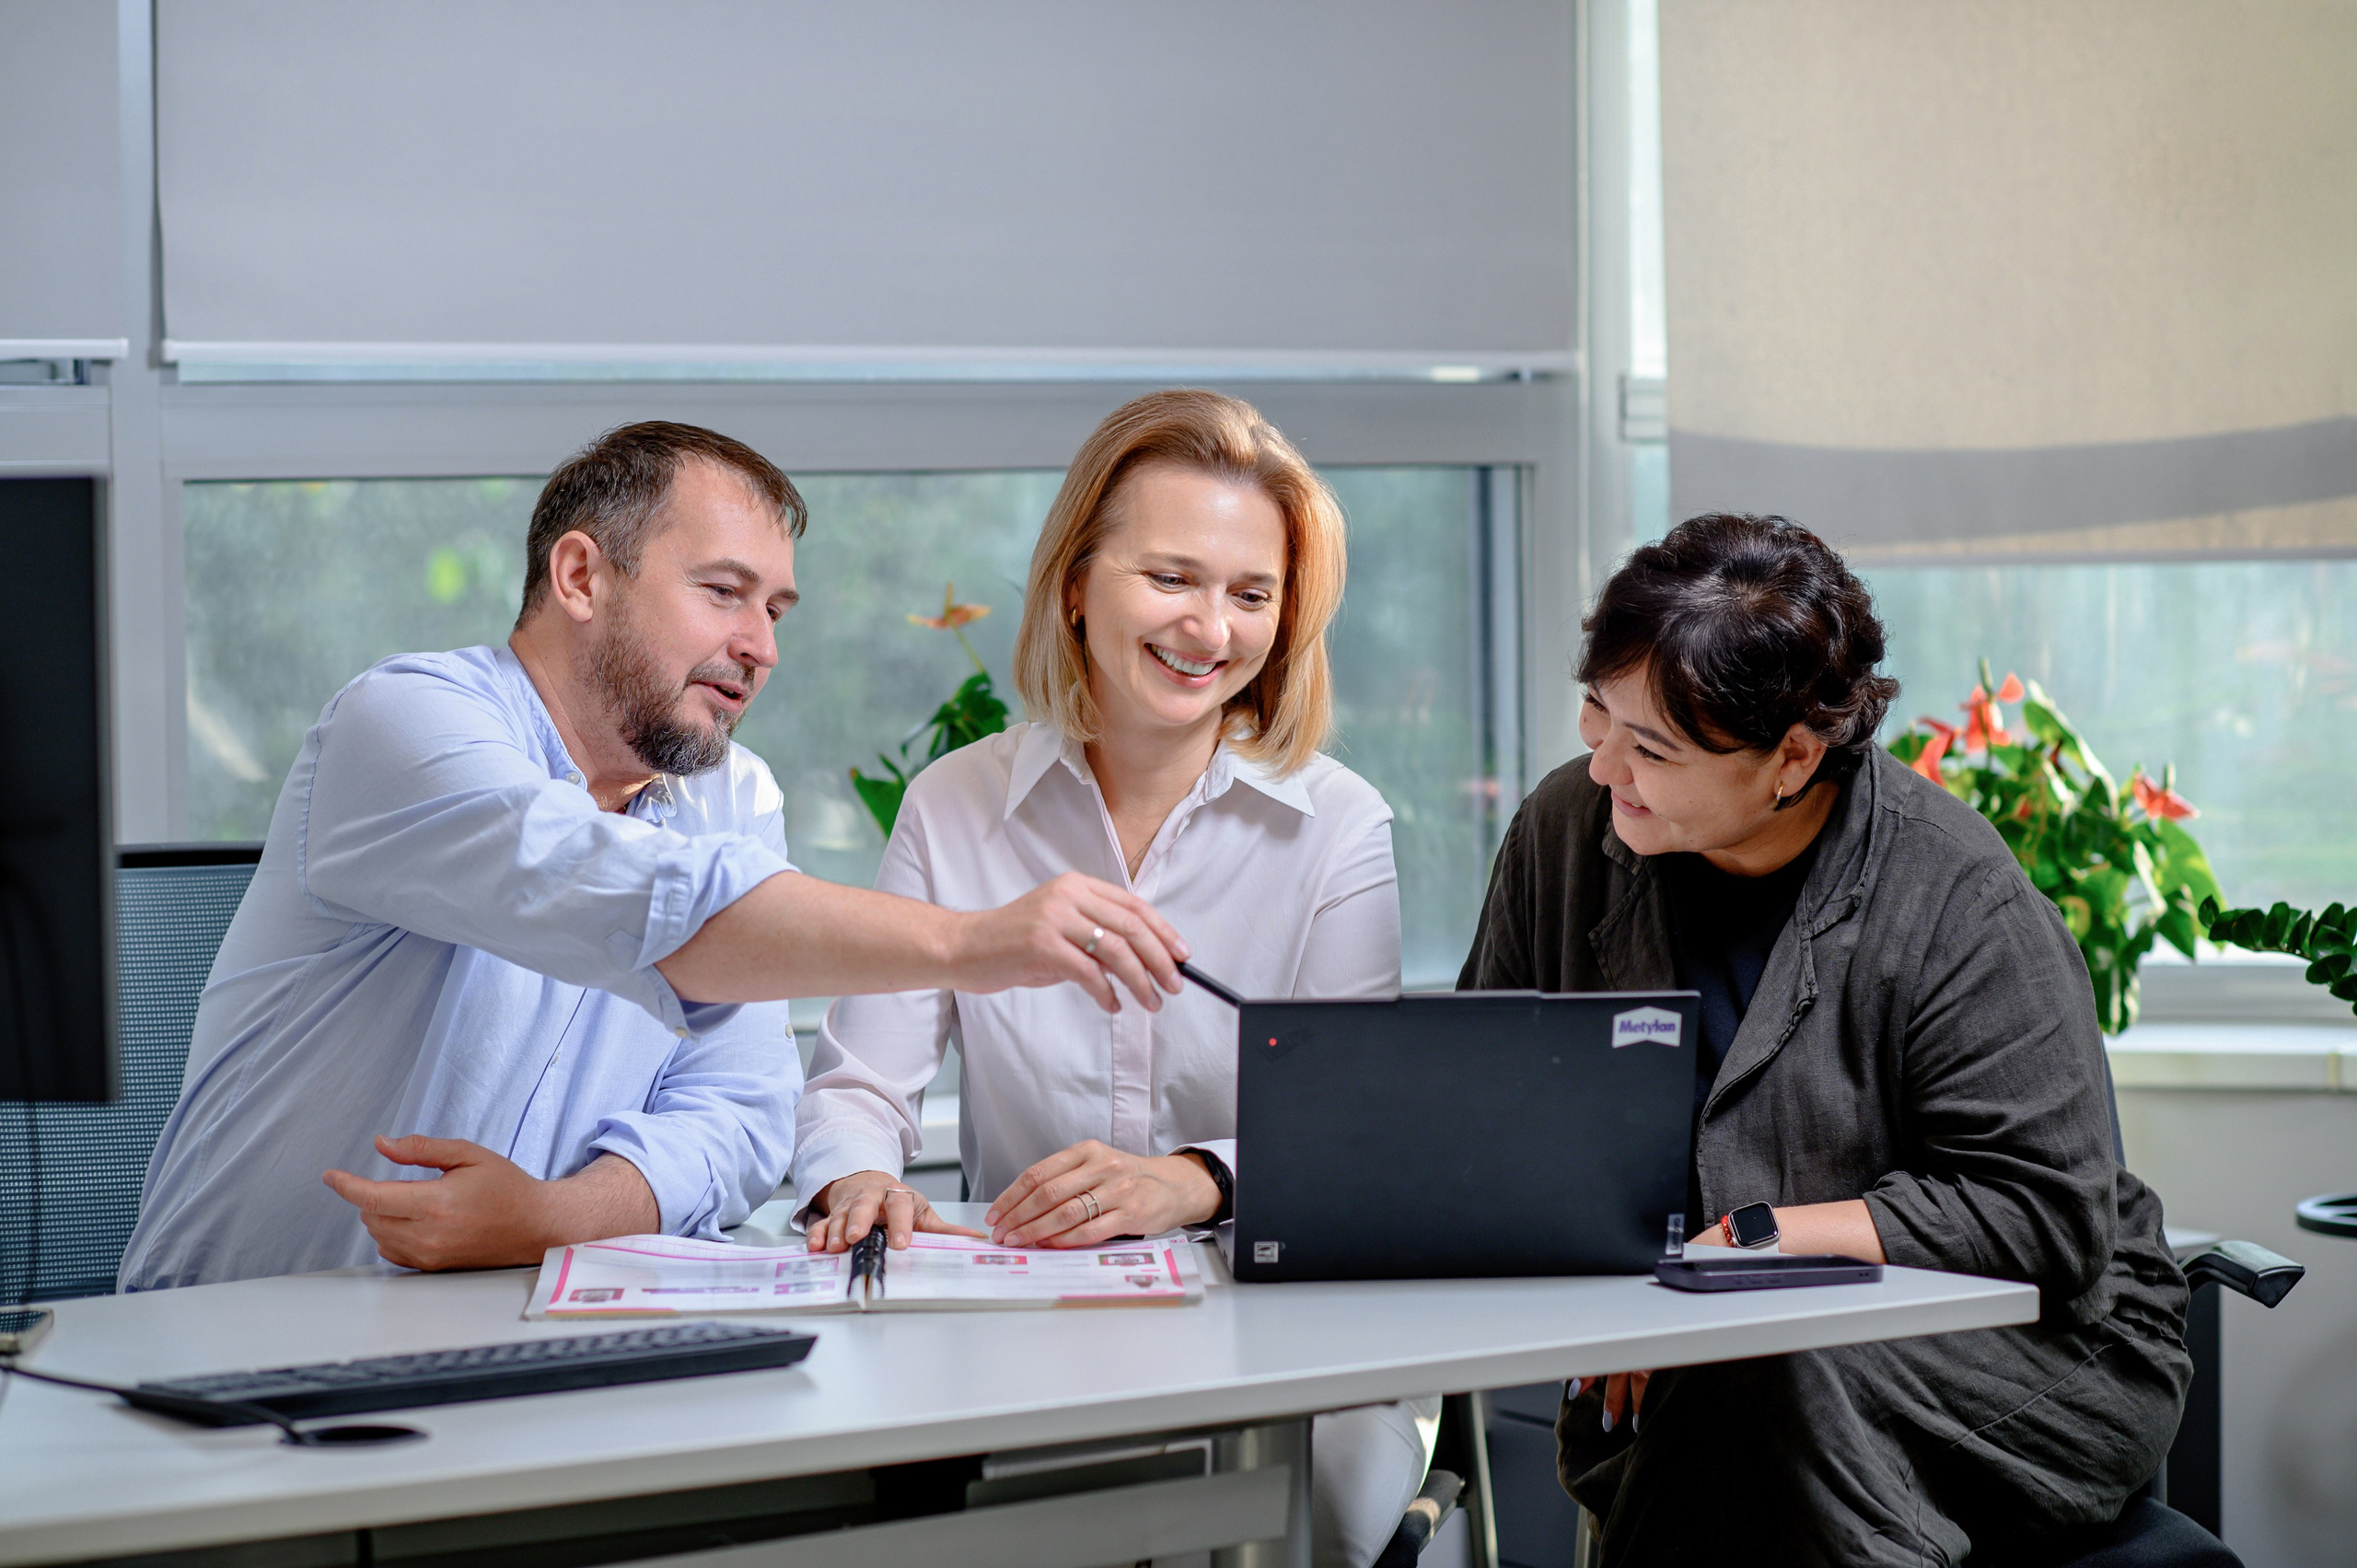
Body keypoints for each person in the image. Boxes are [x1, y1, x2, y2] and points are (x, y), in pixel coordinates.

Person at [122, 421, 1186, 1293]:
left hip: (522, 1338)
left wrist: (549, 1217)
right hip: (238, 1347)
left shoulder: (733, 795)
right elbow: (635, 898)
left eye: (775, 609)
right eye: (723, 592)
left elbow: (738, 1112)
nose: (763, 646)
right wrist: (970, 941)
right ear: (581, 575)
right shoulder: (403, 723)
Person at [1458, 513, 2191, 1565]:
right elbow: (1491, 1109)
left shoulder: (1957, 895)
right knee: (1742, 1380)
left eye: (1652, 747)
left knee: (1757, 1374)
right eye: (1596, 711)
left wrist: (1746, 1246)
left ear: (1793, 756)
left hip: (2038, 1347)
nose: (1604, 761)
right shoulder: (1566, 832)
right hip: (1707, 1344)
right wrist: (1634, 1293)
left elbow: (2045, 1218)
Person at [790, 389, 1436, 1568]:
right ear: (1078, 583)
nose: (1209, 627)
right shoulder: (954, 806)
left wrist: (1189, 1180)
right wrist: (860, 1176)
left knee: (1321, 1513)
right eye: (1171, 577)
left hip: (1273, 1322)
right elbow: (857, 1084)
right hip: (1024, 1319)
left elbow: (1356, 1131)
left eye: (1251, 594)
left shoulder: (1337, 826)